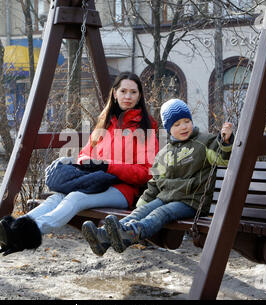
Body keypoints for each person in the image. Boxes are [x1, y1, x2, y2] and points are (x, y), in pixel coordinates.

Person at [0, 71, 159, 256]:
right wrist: (84, 162)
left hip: (123, 191)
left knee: (75, 198)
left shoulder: (145, 128)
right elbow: (85, 154)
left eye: (133, 92)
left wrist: (108, 166)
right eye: (123, 91)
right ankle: (13, 229)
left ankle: (25, 234)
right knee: (56, 197)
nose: (128, 96)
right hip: (94, 181)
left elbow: (146, 172)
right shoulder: (106, 123)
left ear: (140, 96)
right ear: (115, 93)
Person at [82, 98, 234, 255]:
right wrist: (142, 203)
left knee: (161, 213)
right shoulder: (164, 153)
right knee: (141, 212)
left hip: (191, 201)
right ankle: (103, 237)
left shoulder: (204, 142)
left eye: (186, 121)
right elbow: (155, 182)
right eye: (177, 124)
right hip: (166, 197)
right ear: (169, 129)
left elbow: (222, 158)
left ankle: (132, 233)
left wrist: (226, 141)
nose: (183, 127)